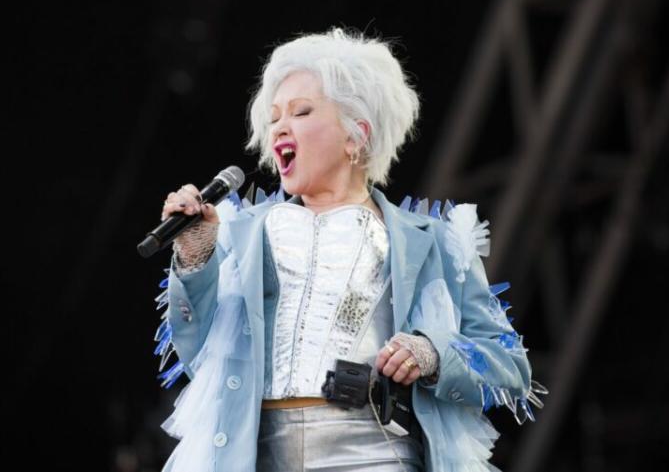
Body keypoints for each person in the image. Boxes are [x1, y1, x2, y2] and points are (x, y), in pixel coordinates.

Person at [152, 28, 543, 472]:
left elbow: (509, 366)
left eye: (301, 111)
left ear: (356, 136)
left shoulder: (434, 242)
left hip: (375, 455)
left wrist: (432, 354)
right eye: (275, 116)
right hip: (253, 456)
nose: (280, 125)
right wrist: (195, 256)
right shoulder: (241, 234)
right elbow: (193, 349)